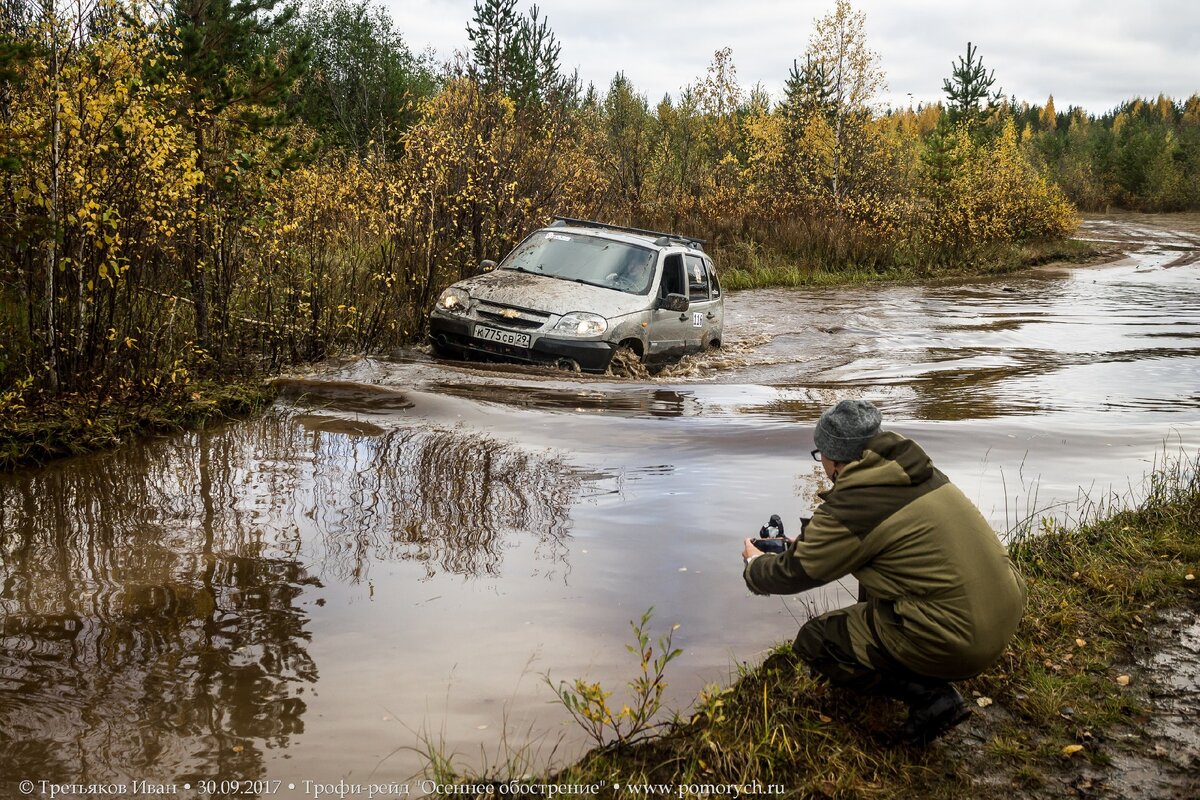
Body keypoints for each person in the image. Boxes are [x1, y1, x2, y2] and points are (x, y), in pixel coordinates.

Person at [741, 398, 1027, 744]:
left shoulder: (855, 502)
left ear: (833, 457)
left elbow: (793, 574)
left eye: (820, 454)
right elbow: (881, 546)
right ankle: (902, 659)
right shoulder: (916, 472)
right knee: (877, 594)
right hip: (1003, 614)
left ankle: (931, 697)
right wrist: (810, 541)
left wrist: (754, 564)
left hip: (961, 640)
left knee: (816, 641)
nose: (821, 463)